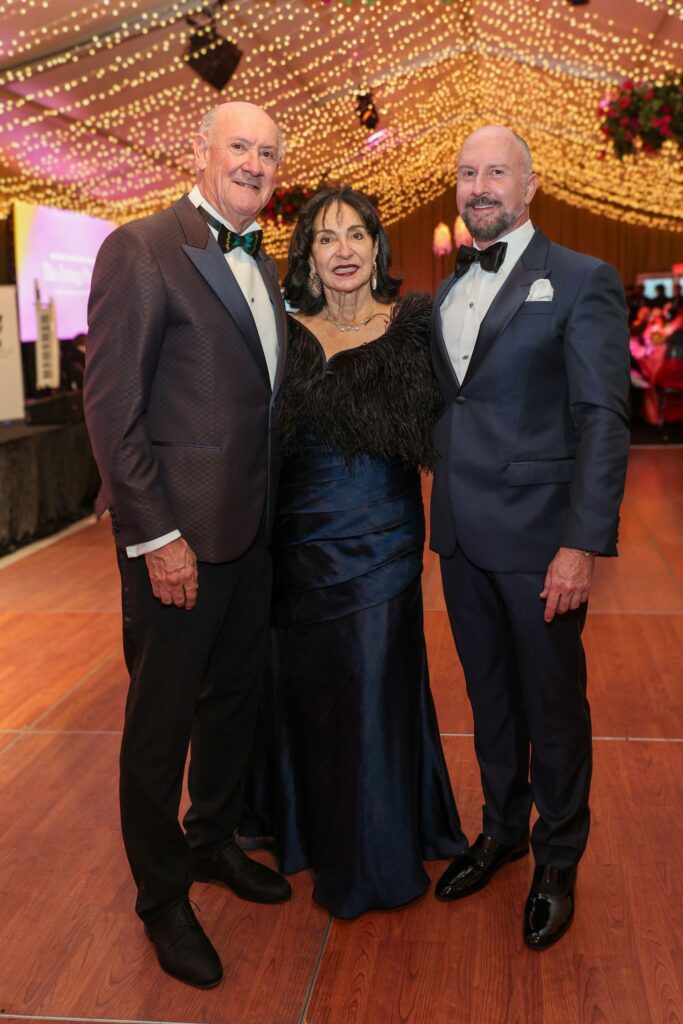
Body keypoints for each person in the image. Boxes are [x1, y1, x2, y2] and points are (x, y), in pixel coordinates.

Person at [83, 101, 292, 989]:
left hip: (252, 536)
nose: (253, 163)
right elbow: (111, 412)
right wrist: (156, 535)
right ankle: (162, 897)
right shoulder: (139, 248)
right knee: (160, 724)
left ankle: (210, 841)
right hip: (177, 541)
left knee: (236, 700)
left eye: (268, 153)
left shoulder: (269, 265)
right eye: (238, 146)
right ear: (197, 153)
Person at [241, 186, 466, 919]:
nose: (342, 249)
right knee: (305, 687)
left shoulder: (416, 325)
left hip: (382, 541)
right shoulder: (281, 330)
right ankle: (303, 829)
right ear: (306, 254)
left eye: (356, 236)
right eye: (326, 238)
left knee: (371, 683)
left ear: (377, 248)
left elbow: (478, 406)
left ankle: (371, 853)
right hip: (296, 545)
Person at [430, 126, 630, 949]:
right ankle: (502, 830)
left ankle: (557, 855)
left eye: (495, 173)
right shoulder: (444, 290)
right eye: (467, 174)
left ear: (529, 185)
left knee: (553, 707)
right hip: (460, 540)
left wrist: (580, 544)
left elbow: (600, 421)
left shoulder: (583, 280)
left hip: (543, 543)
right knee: (487, 698)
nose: (480, 187)